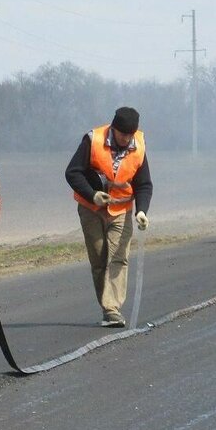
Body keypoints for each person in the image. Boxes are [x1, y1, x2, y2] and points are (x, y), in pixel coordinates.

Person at [65, 106, 153, 328]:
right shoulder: (92, 140)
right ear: (113, 129)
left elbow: (143, 184)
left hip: (121, 211)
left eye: (130, 135)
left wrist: (141, 210)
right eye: (122, 134)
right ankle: (107, 305)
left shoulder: (139, 146)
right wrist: (92, 195)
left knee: (118, 257)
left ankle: (111, 309)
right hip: (91, 208)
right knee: (99, 257)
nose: (126, 139)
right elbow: (72, 172)